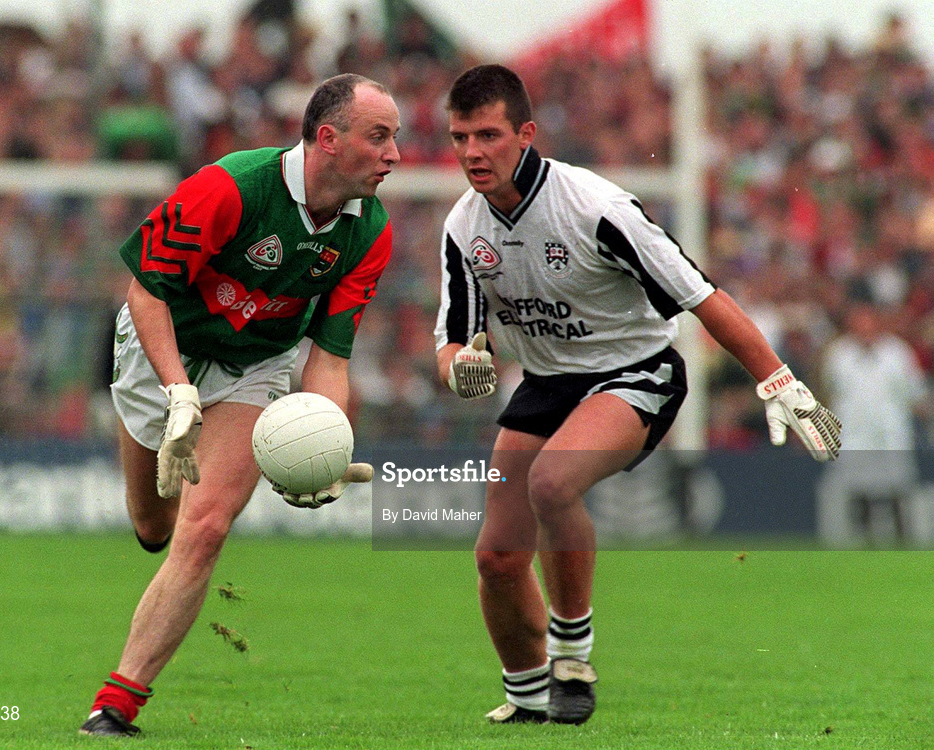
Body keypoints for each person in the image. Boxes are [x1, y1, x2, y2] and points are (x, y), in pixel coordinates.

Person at [433, 64, 841, 726]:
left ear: (526, 134)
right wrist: (460, 369)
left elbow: (700, 293)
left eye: (487, 135)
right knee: (498, 555)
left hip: (635, 371)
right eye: (459, 137)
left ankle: (573, 658)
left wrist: (778, 378)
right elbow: (453, 341)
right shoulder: (462, 225)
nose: (472, 153)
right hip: (546, 384)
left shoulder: (595, 207)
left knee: (551, 485)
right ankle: (529, 696)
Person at [79, 73, 400, 738]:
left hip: (258, 365)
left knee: (206, 528)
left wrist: (326, 442)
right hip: (160, 349)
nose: (395, 154)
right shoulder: (230, 187)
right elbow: (147, 294)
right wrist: (177, 392)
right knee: (154, 528)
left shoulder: (370, 232)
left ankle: (116, 705)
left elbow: (330, 360)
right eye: (380, 136)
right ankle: (156, 475)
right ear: (329, 139)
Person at [818, 300, 927, 542]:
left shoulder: (897, 353)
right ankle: (863, 542)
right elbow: (828, 392)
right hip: (854, 433)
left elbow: (915, 394)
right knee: (858, 489)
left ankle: (901, 542)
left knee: (897, 488)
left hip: (891, 433)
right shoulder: (839, 354)